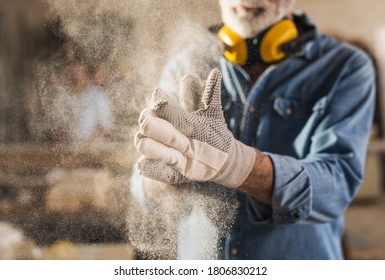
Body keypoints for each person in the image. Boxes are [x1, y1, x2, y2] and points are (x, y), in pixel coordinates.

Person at [132, 0, 376, 259]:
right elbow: (144, 186)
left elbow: (336, 187)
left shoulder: (345, 67)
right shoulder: (186, 64)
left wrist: (236, 164)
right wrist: (166, 176)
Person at [49, 60, 113, 145]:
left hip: (93, 148)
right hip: (68, 147)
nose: (77, 77)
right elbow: (56, 124)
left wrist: (90, 145)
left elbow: (104, 126)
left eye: (80, 73)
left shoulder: (98, 95)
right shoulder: (63, 96)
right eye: (73, 73)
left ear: (87, 75)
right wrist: (60, 142)